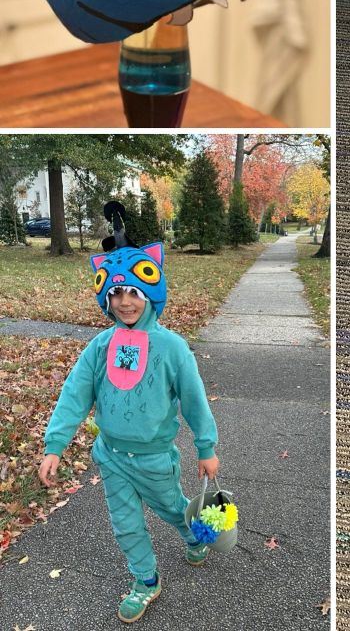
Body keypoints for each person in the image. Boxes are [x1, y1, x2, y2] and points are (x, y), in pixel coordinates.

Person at [38, 210, 218, 625]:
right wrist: (55, 445)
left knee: (173, 508)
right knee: (126, 524)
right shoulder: (100, 346)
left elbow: (193, 399)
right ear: (106, 298)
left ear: (151, 294)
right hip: (112, 457)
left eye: (134, 292)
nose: (124, 301)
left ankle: (194, 534)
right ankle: (146, 580)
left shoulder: (172, 348)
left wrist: (206, 447)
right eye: (116, 292)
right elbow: (74, 394)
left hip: (155, 458)